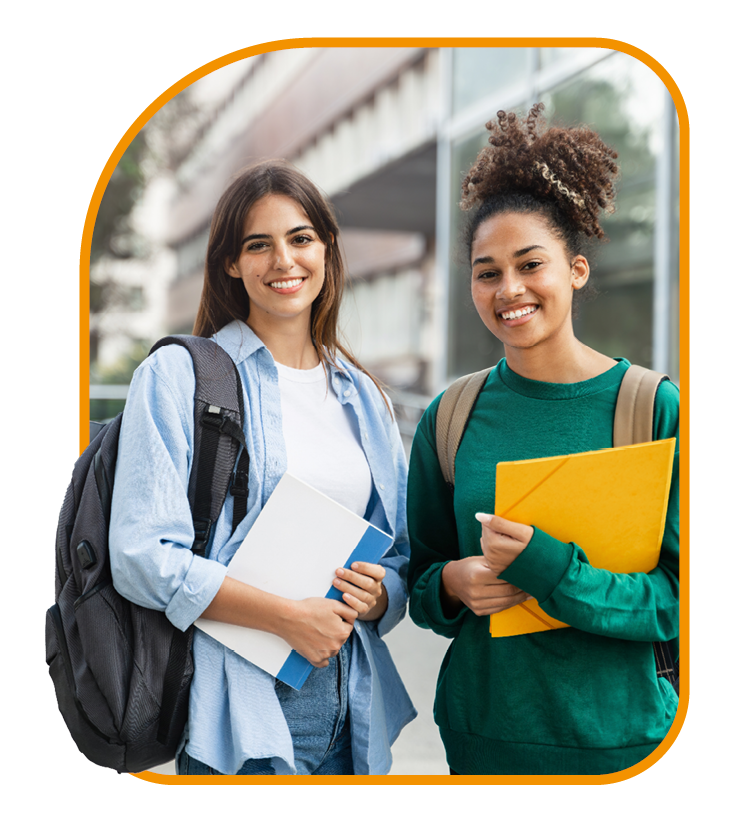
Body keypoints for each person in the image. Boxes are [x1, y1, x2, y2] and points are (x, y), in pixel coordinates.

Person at [109, 159, 415, 776]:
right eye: (259, 245)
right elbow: (142, 556)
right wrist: (286, 618)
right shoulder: (178, 376)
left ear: (327, 249)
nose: (284, 261)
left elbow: (399, 553)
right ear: (231, 262)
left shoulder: (366, 396)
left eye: (301, 238)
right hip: (238, 700)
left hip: (351, 701)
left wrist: (380, 594)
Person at [406, 104, 679, 776]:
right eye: (487, 271)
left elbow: (677, 599)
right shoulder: (450, 416)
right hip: (484, 740)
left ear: (577, 270)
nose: (510, 289)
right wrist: (453, 584)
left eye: (531, 263)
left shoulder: (650, 407)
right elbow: (419, 578)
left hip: (622, 746)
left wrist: (554, 571)